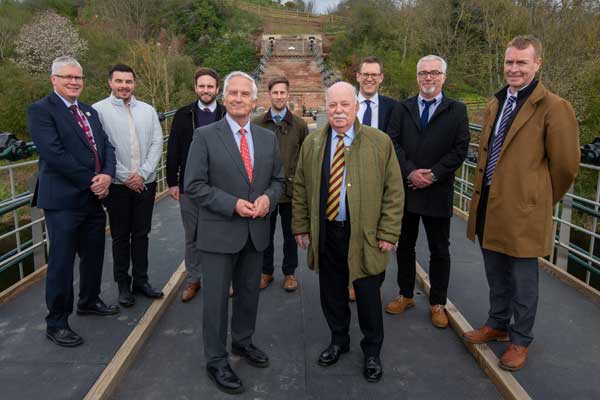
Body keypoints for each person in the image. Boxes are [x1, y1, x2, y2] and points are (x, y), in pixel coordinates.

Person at [463, 35, 580, 371]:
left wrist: (538, 200)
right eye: (509, 62)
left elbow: (566, 166)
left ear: (537, 64)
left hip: (524, 212)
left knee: (523, 281)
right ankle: (497, 323)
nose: (513, 69)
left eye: (521, 63)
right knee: (495, 272)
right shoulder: (497, 102)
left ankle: (519, 340)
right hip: (489, 205)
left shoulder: (554, 107)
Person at [292, 81, 403, 383]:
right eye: (333, 105)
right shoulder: (314, 143)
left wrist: (389, 231)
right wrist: (301, 226)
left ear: (356, 106)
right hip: (327, 232)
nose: (339, 111)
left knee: (368, 295)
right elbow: (300, 187)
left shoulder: (380, 143)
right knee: (331, 292)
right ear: (325, 107)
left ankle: (372, 351)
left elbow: (394, 190)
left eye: (345, 104)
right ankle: (338, 340)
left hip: (365, 234)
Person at [184, 71, 284, 394]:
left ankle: (242, 342)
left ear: (255, 101)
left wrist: (269, 198)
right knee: (215, 302)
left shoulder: (268, 139)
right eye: (233, 93)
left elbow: (279, 180)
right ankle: (216, 360)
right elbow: (194, 186)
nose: (239, 98)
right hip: (218, 234)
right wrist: (232, 204)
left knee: (248, 295)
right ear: (225, 98)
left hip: (255, 233)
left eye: (245, 94)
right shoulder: (204, 136)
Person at [28, 56, 119, 347]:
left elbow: (106, 146)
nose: (73, 82)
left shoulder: (89, 112)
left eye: (78, 77)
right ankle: (56, 322)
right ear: (53, 79)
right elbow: (54, 154)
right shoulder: (41, 111)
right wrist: (93, 182)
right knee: (62, 263)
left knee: (93, 254)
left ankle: (89, 301)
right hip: (63, 200)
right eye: (67, 77)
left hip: (93, 199)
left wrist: (106, 174)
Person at [385, 55, 470, 329]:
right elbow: (393, 142)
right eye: (423, 73)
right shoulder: (403, 108)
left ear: (444, 77)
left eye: (434, 73)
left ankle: (437, 303)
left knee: (439, 250)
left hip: (437, 191)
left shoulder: (456, 110)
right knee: (405, 246)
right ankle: (406, 294)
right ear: (417, 77)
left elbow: (460, 148)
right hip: (408, 189)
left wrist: (433, 174)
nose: (428, 78)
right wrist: (410, 172)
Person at [93, 64, 164, 307]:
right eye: (119, 81)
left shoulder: (147, 110)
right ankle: (123, 284)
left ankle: (141, 281)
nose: (124, 85)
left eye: (128, 81)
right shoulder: (97, 111)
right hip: (117, 185)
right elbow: (99, 149)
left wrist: (142, 174)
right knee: (121, 236)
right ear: (110, 82)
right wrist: (125, 176)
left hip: (146, 182)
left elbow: (157, 142)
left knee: (142, 234)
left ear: (134, 83)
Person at [166, 67, 226, 302]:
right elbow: (173, 150)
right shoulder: (183, 114)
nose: (206, 90)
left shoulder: (226, 113)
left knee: (222, 233)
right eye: (202, 86)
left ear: (217, 89)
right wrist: (172, 182)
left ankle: (223, 278)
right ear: (195, 88)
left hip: (220, 186)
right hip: (190, 185)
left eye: (210, 86)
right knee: (192, 235)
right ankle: (194, 278)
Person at [348, 56, 397, 302]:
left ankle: (374, 282)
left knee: (379, 237)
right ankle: (352, 282)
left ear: (381, 78)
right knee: (350, 234)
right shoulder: (346, 104)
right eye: (365, 74)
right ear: (357, 76)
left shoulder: (393, 108)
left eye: (374, 74)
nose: (369, 78)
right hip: (349, 179)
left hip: (380, 182)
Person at [253, 76, 308, 292]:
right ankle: (266, 272)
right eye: (275, 92)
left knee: (290, 234)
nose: (279, 96)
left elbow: (304, 157)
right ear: (270, 95)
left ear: (287, 94)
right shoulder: (257, 123)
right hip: (266, 191)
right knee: (264, 233)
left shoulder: (300, 125)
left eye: (282, 92)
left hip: (291, 190)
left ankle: (290, 273)